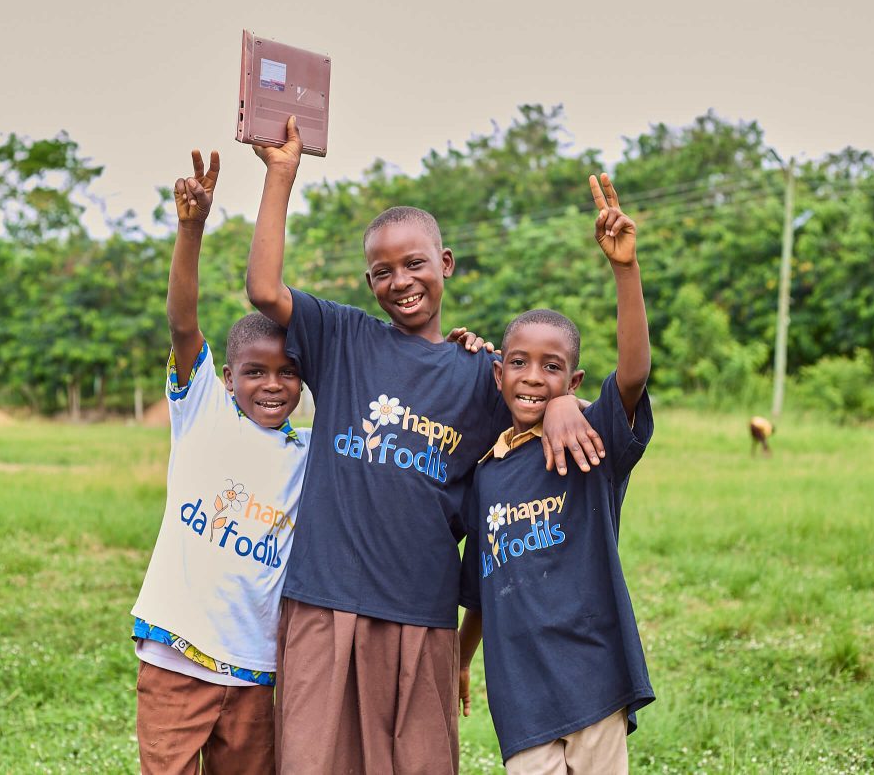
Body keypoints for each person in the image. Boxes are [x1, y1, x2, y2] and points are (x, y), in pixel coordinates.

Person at [245, 118, 607, 774]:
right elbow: (265, 291)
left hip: (421, 612)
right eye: (382, 271)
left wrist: (559, 404)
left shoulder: (480, 373)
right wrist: (281, 174)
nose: (401, 280)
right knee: (310, 760)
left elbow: (541, 395)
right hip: (324, 599)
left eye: (415, 263)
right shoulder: (344, 338)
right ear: (369, 284)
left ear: (446, 264)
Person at [457, 173, 654, 774]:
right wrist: (460, 658)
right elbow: (485, 586)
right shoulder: (487, 474)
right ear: (499, 373)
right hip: (521, 697)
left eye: (552, 367)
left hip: (594, 679)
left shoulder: (591, 443)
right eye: (519, 362)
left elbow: (632, 375)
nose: (533, 377)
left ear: (573, 381)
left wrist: (625, 269)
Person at [130, 150, 310, 775]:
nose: (273, 385)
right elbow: (183, 325)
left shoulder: (308, 455)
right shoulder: (203, 411)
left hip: (256, 671)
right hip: (176, 660)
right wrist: (191, 229)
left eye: (288, 373)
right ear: (228, 377)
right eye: (256, 372)